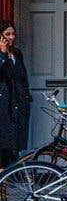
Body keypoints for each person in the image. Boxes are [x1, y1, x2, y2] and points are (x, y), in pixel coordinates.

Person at [0, 21, 32, 168]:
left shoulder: (17, 53)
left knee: (14, 145)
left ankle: (6, 185)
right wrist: (2, 54)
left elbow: (22, 75)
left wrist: (25, 94)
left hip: (18, 103)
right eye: (7, 34)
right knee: (4, 145)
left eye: (13, 34)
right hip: (4, 105)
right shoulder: (2, 54)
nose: (11, 37)